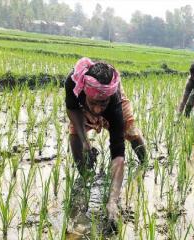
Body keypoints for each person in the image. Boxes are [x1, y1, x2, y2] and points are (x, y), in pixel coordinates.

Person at [65, 57, 146, 228]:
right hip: (81, 105)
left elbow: (118, 155)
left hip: (116, 101)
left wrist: (112, 202)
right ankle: (85, 175)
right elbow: (72, 108)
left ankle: (145, 161)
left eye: (102, 104)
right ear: (85, 92)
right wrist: (85, 142)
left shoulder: (114, 102)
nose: (97, 110)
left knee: (130, 132)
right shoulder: (73, 83)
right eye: (94, 103)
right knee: (74, 133)